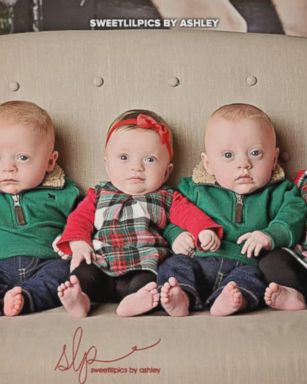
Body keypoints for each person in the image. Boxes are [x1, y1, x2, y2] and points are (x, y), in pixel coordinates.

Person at [54, 109, 223, 318]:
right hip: (101, 263)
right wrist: (79, 243)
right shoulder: (97, 194)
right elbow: (79, 219)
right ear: (107, 165)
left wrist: (204, 230)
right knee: (81, 274)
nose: (136, 167)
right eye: (124, 157)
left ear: (167, 171)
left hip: (143, 264)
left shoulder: (167, 196)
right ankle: (81, 299)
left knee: (151, 283)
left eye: (150, 160)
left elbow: (189, 214)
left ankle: (135, 302)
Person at [157, 103, 306, 317]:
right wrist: (177, 235)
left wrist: (269, 235)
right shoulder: (193, 190)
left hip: (246, 263)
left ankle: (231, 300)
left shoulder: (281, 191)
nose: (244, 164)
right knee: (174, 266)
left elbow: (294, 216)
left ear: (273, 159)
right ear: (208, 164)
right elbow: (170, 217)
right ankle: (181, 296)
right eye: (228, 155)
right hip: (199, 260)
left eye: (255, 153)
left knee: (254, 280)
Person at [0, 100, 80, 316]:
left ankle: (26, 298)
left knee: (68, 274)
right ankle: (4, 301)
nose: (8, 167)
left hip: (47, 262)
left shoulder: (65, 193)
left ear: (50, 162)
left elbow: (83, 223)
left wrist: (72, 240)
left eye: (23, 158)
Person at [258, 169, 307, 310]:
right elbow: (293, 214)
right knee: (271, 261)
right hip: (301, 258)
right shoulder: (302, 182)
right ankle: (294, 293)